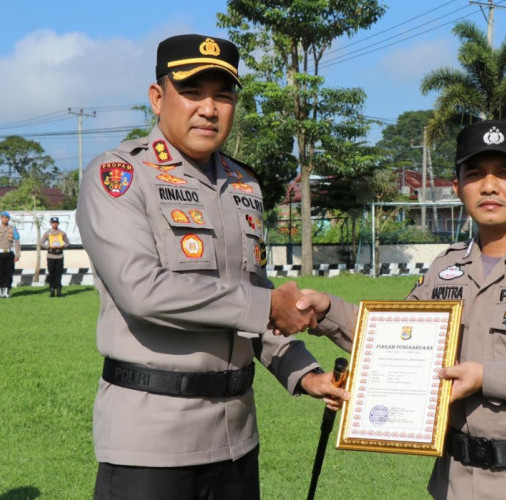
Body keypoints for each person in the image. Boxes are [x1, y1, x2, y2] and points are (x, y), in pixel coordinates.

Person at [76, 33, 346, 500]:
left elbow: (252, 292)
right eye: (193, 92)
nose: (209, 108)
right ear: (158, 98)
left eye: (223, 95)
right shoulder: (119, 175)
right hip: (151, 443)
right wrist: (266, 307)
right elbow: (142, 291)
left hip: (237, 441)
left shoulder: (243, 185)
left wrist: (305, 373)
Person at [291, 120, 506, 499]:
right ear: (457, 186)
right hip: (456, 481)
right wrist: (328, 310)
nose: (490, 186)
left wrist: (488, 377)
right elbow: (393, 341)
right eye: (475, 174)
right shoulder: (443, 269)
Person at [40, 216, 70, 297]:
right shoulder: (47, 233)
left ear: (58, 223)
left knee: (59, 273)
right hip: (51, 256)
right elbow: (41, 243)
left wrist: (62, 246)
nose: (55, 224)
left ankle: (59, 291)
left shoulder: (62, 233)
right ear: (50, 224)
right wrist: (48, 246)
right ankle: (52, 290)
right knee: (51, 273)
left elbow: (67, 243)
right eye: (53, 223)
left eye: (56, 223)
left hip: (59, 256)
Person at [0, 210, 21, 298]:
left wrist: (17, 254)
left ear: (9, 219)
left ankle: (7, 290)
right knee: (0, 273)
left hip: (9, 253)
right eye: (3, 217)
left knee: (9, 273)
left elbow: (17, 241)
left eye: (7, 218)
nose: (5, 219)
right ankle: (1, 291)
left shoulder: (12, 228)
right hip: (0, 253)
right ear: (1, 219)